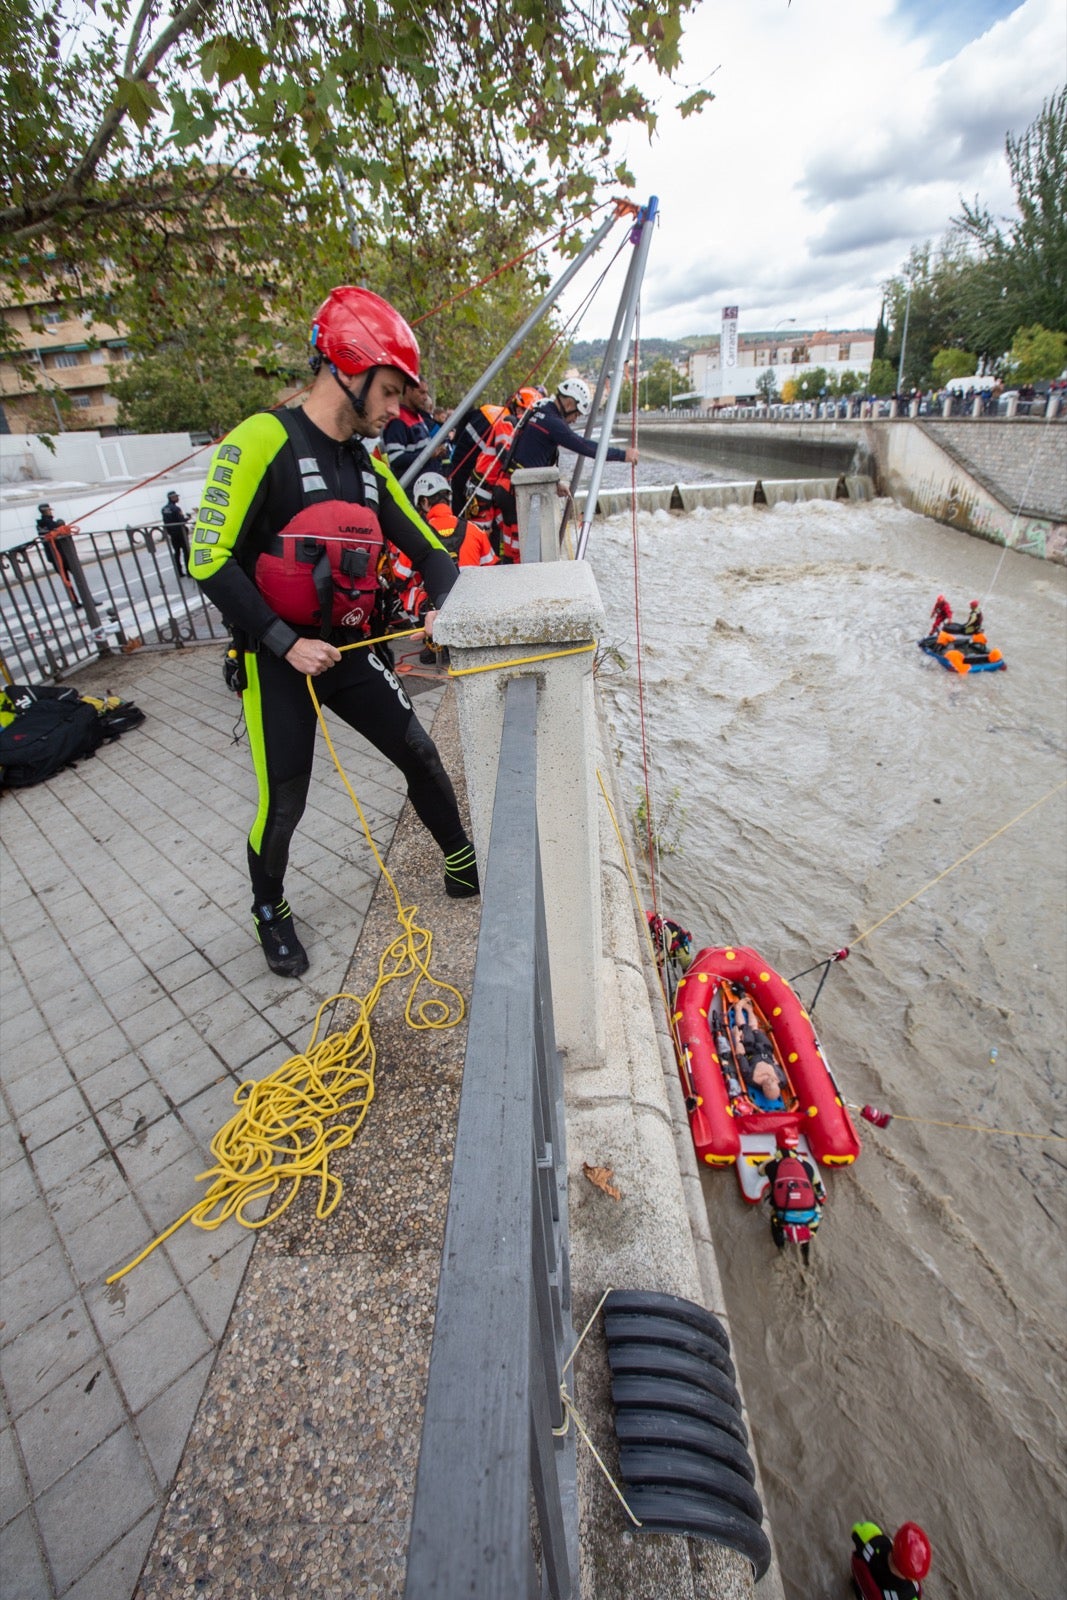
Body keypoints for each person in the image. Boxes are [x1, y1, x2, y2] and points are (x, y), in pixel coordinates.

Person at [187, 284, 479, 978]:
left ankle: (462, 863)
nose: (393, 407)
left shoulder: (366, 465)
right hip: (278, 657)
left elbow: (431, 552)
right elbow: (206, 556)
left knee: (418, 752)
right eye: (388, 390)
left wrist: (448, 604)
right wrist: (284, 642)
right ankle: (269, 910)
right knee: (285, 797)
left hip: (349, 651)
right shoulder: (262, 439)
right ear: (348, 364)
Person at [492, 378, 639, 561]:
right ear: (569, 403)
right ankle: (522, 584)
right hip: (516, 494)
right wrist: (624, 455)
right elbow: (584, 447)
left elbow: (532, 456)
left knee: (510, 550)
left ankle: (510, 579)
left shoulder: (541, 411)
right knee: (519, 554)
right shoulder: (554, 423)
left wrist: (554, 483)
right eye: (576, 413)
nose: (575, 418)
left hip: (507, 487)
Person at [382, 374, 447, 480]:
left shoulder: (418, 416)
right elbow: (396, 459)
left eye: (426, 393)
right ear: (408, 390)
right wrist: (429, 454)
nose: (425, 397)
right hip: (410, 489)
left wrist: (436, 452)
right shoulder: (398, 421)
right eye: (421, 392)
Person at [850, 1520, 931, 1599]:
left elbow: (856, 1529)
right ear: (912, 1577)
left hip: (861, 1583)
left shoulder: (874, 1541)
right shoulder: (911, 1594)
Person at [35, 502, 82, 607]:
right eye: (49, 510)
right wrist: (61, 528)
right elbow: (61, 534)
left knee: (66, 581)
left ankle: (75, 602)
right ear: (47, 511)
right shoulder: (51, 524)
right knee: (79, 578)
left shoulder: (39, 525)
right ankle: (87, 600)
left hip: (53, 557)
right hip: (63, 555)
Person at [161, 489, 191, 582]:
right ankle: (189, 572)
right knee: (186, 552)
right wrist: (188, 518)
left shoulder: (164, 509)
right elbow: (181, 520)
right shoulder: (176, 509)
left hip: (173, 534)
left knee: (177, 553)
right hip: (181, 533)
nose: (178, 498)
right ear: (172, 498)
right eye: (176, 497)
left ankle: (179, 572)